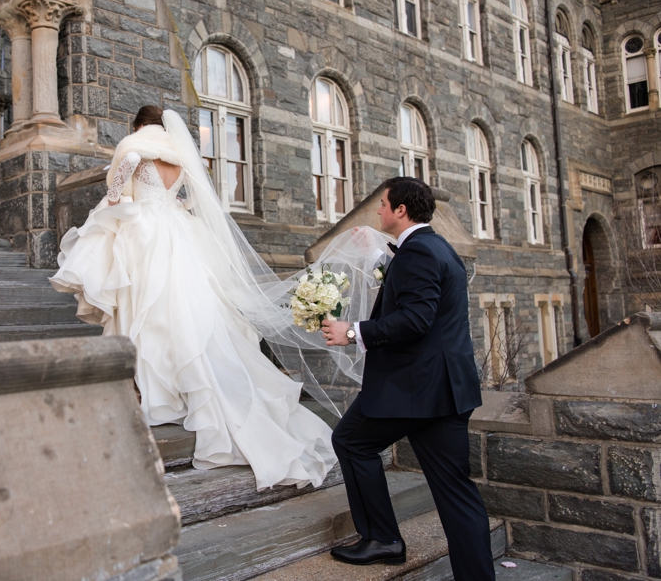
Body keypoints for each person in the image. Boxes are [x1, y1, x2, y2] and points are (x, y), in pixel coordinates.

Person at [50, 106, 337, 491]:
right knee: (185, 311)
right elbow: (185, 198)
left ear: (138, 126)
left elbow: (115, 196)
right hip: (181, 234)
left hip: (147, 234)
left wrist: (115, 205)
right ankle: (181, 387)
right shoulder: (181, 156)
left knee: (148, 309)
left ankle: (152, 389)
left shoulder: (135, 149)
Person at [320, 177, 494, 580]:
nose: (378, 210)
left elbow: (416, 320)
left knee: (350, 441)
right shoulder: (437, 247)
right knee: (456, 492)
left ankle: (382, 538)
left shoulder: (418, 253)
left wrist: (354, 332)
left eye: (383, 204)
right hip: (447, 392)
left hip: (414, 389)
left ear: (401, 210)